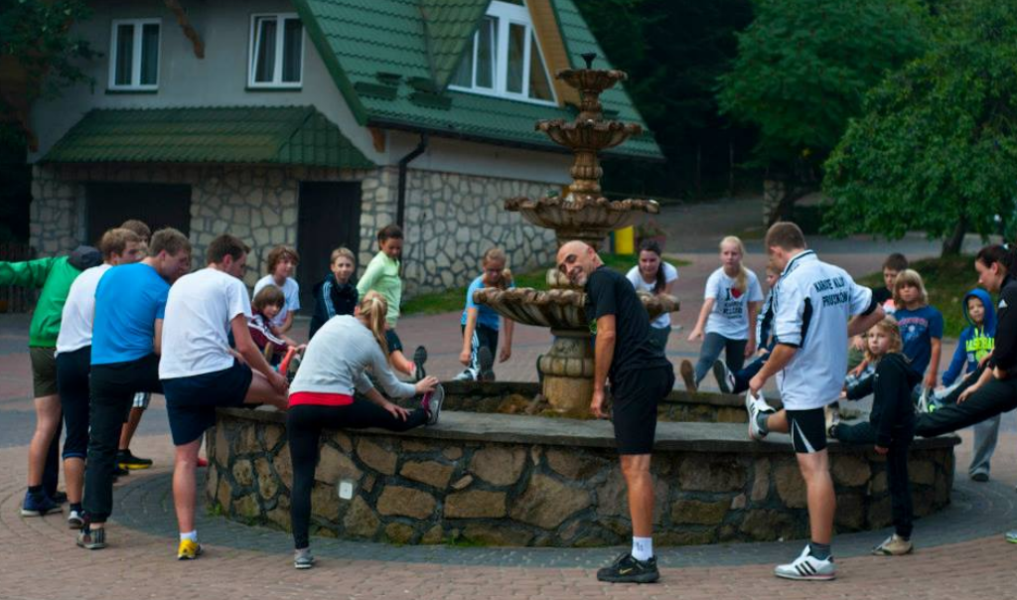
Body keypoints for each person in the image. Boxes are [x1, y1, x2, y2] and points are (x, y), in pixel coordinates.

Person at [746, 222, 883, 581]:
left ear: (776, 250)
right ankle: (761, 422)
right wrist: (843, 331)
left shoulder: (793, 282)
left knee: (815, 469)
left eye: (771, 259)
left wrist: (759, 377)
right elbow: (876, 311)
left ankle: (820, 555)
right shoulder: (835, 273)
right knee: (797, 424)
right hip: (829, 377)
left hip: (806, 383)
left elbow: (787, 345)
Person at [287, 291, 441, 569]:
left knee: (302, 478)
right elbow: (395, 388)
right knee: (394, 419)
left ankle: (301, 553)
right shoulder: (371, 344)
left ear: (358, 309)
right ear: (381, 320)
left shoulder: (334, 322)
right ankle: (427, 413)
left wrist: (381, 402)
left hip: (298, 405)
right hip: (336, 406)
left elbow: (356, 375)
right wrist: (417, 388)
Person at [159, 234, 290, 560]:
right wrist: (273, 375)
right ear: (228, 260)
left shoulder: (180, 284)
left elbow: (195, 332)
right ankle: (310, 447)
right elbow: (246, 344)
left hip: (174, 378)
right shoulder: (231, 285)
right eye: (242, 266)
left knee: (184, 460)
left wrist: (229, 351)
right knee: (281, 395)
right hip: (213, 374)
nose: (243, 272)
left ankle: (187, 539)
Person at [557, 240, 675, 584]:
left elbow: (606, 335)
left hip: (638, 374)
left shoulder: (601, 279)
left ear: (592, 254)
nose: (569, 269)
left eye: (572, 259)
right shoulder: (602, 285)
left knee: (635, 467)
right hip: (642, 374)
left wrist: (597, 389)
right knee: (635, 466)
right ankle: (641, 553)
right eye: (563, 267)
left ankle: (643, 559)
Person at [77, 228, 192, 551]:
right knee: (191, 389)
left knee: (100, 447)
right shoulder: (163, 290)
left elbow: (97, 319)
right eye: (182, 261)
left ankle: (94, 526)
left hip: (102, 368)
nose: (184, 268)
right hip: (140, 364)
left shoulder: (109, 275)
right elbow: (160, 346)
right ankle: (190, 455)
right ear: (163, 254)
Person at [913, 243, 1017, 544]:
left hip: (1011, 380)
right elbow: (1002, 348)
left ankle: (907, 424)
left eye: (981, 273)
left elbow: (1005, 348)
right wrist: (983, 377)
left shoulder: (1010, 293)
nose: (980, 280)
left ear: (995, 267)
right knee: (965, 398)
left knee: (960, 412)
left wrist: (1000, 369)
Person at [1, 244, 102, 517]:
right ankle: (79, 492)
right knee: (78, 420)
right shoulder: (96, 277)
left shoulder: (56, 264)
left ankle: (36, 493)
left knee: (45, 424)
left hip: (38, 344)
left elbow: (14, 271)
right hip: (67, 347)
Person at [55, 228, 145, 528]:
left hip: (65, 357)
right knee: (100, 438)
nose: (138, 258)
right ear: (115, 256)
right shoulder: (114, 279)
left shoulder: (84, 276)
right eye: (132, 253)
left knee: (75, 434)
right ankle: (93, 511)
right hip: (94, 356)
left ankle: (75, 508)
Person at [831, 317, 917, 556]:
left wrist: (882, 439)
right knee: (898, 480)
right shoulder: (890, 362)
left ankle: (902, 537)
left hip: (891, 431)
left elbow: (889, 405)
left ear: (893, 339)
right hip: (896, 429)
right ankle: (902, 534)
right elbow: (871, 383)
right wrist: (848, 393)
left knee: (897, 482)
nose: (874, 341)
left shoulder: (889, 365)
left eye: (880, 336)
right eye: (870, 336)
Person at [683, 236, 763, 392]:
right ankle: (693, 381)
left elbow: (753, 308)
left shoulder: (750, 277)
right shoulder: (716, 278)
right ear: (721, 255)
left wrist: (752, 338)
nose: (730, 257)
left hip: (740, 332)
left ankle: (728, 397)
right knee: (707, 357)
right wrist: (699, 327)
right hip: (717, 327)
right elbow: (709, 303)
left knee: (733, 374)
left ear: (741, 255)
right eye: (726, 253)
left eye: (734, 253)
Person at [939, 288, 997, 481]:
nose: (976, 310)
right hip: (968, 383)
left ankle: (980, 467)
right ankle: (941, 453)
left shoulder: (998, 331)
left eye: (980, 306)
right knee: (942, 406)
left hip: (991, 384)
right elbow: (958, 360)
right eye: (971, 308)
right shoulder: (967, 334)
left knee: (987, 423)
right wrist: (945, 382)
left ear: (988, 306)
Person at [356, 225, 426, 380]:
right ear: (381, 243)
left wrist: (396, 308)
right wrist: (369, 315)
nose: (395, 251)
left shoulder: (393, 262)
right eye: (391, 247)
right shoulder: (379, 264)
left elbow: (390, 290)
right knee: (393, 348)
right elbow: (359, 290)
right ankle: (414, 371)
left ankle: (371, 379)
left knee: (381, 356)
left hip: (389, 320)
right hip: (379, 320)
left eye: (398, 248)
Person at [116, 218, 156, 473]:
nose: (144, 247)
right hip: (134, 347)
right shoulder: (134, 271)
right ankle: (119, 449)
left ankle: (120, 448)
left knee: (135, 400)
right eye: (142, 241)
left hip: (127, 346)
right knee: (135, 400)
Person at [712, 262, 780, 394]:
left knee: (766, 362)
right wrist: (761, 345)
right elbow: (764, 318)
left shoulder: (795, 289)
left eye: (771, 277)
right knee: (764, 361)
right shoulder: (774, 293)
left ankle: (737, 383)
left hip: (792, 339)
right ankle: (736, 382)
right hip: (780, 340)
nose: (767, 280)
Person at [456, 248, 515, 381]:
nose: (494, 274)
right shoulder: (476, 287)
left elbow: (509, 316)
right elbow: (471, 318)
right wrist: (466, 348)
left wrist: (508, 345)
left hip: (492, 327)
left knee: (486, 369)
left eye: (498, 270)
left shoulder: (507, 283)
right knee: (479, 361)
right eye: (490, 270)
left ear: (503, 267)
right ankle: (461, 379)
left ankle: (478, 389)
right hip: (473, 326)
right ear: (484, 267)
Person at [849, 253, 907, 369]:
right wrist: (857, 336)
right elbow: (859, 314)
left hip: (894, 341)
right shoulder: (875, 294)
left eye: (893, 276)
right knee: (849, 361)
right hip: (871, 339)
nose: (889, 279)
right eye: (886, 275)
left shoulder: (906, 297)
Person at [893, 269, 943, 394]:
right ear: (897, 292)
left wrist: (933, 373)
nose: (906, 290)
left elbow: (936, 345)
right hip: (899, 369)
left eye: (910, 286)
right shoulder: (896, 316)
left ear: (919, 288)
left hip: (919, 370)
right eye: (902, 287)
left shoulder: (933, 314)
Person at [626, 240, 679, 352]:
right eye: (644, 260)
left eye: (652, 260)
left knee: (656, 355)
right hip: (637, 324)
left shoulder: (669, 271)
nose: (648, 265)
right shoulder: (632, 277)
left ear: (660, 259)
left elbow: (663, 304)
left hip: (661, 324)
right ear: (638, 260)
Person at [308, 247, 358, 339]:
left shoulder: (353, 291)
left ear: (353, 267)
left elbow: (354, 316)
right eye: (340, 265)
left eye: (348, 265)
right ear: (333, 267)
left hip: (342, 334)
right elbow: (329, 316)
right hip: (321, 334)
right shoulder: (326, 287)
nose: (344, 269)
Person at [253, 245, 301, 334]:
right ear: (274, 264)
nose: (290, 266)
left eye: (292, 263)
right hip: (262, 330)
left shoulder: (294, 286)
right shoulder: (262, 284)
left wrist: (278, 332)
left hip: (279, 331)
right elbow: (256, 314)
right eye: (285, 262)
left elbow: (289, 319)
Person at [249, 285, 301, 365]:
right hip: (249, 355)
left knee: (278, 343)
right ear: (261, 302)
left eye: (278, 306)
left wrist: (295, 347)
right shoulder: (253, 316)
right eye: (271, 305)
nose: (275, 309)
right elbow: (265, 336)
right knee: (271, 345)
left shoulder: (264, 316)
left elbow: (276, 333)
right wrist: (286, 347)